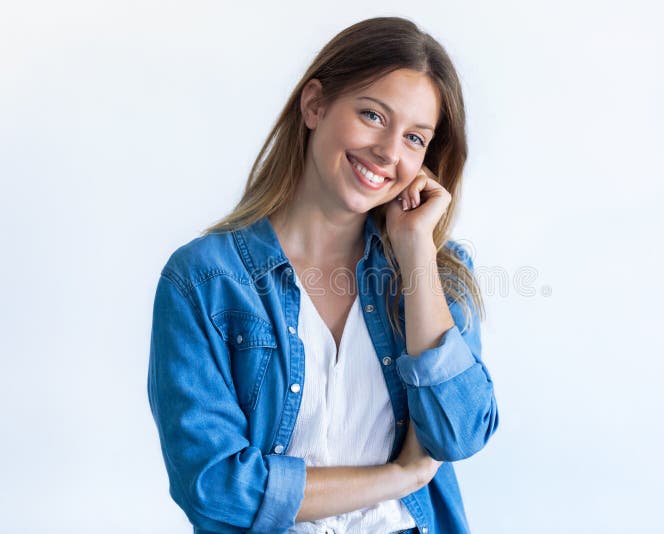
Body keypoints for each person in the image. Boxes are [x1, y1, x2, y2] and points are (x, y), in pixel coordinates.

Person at [147, 16, 499, 534]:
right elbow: (215, 488)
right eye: (373, 115)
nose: (389, 153)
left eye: (415, 138)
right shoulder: (202, 280)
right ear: (315, 105)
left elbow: (460, 434)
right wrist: (400, 477)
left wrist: (415, 254)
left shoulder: (438, 274)